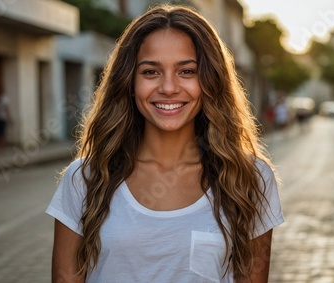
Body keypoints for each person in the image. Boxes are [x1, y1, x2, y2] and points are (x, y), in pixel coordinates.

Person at [46, 5, 284, 283]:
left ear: (210, 80)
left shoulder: (250, 179)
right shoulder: (84, 179)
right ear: (129, 82)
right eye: (150, 72)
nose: (169, 87)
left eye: (187, 71)